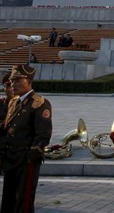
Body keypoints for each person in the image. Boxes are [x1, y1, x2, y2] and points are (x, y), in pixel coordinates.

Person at [1, 64, 53, 213]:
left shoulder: (39, 103)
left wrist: (33, 154)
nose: (13, 84)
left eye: (18, 80)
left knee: (23, 200)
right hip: (11, 157)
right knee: (8, 198)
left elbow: (43, 134)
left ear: (28, 81)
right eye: (12, 81)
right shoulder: (13, 101)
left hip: (26, 160)